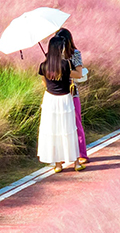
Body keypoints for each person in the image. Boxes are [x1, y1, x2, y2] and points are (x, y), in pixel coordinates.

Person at [37, 36, 83, 173]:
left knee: (53, 130)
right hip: (64, 99)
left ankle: (57, 164)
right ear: (59, 49)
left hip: (50, 99)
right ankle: (76, 163)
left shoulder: (43, 66)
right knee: (69, 128)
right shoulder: (65, 64)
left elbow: (44, 83)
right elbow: (77, 75)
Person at [55, 27, 88, 167]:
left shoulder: (75, 53)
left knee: (76, 123)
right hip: (57, 93)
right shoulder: (52, 55)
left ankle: (82, 154)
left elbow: (79, 74)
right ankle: (62, 155)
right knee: (60, 125)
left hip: (71, 91)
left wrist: (64, 69)